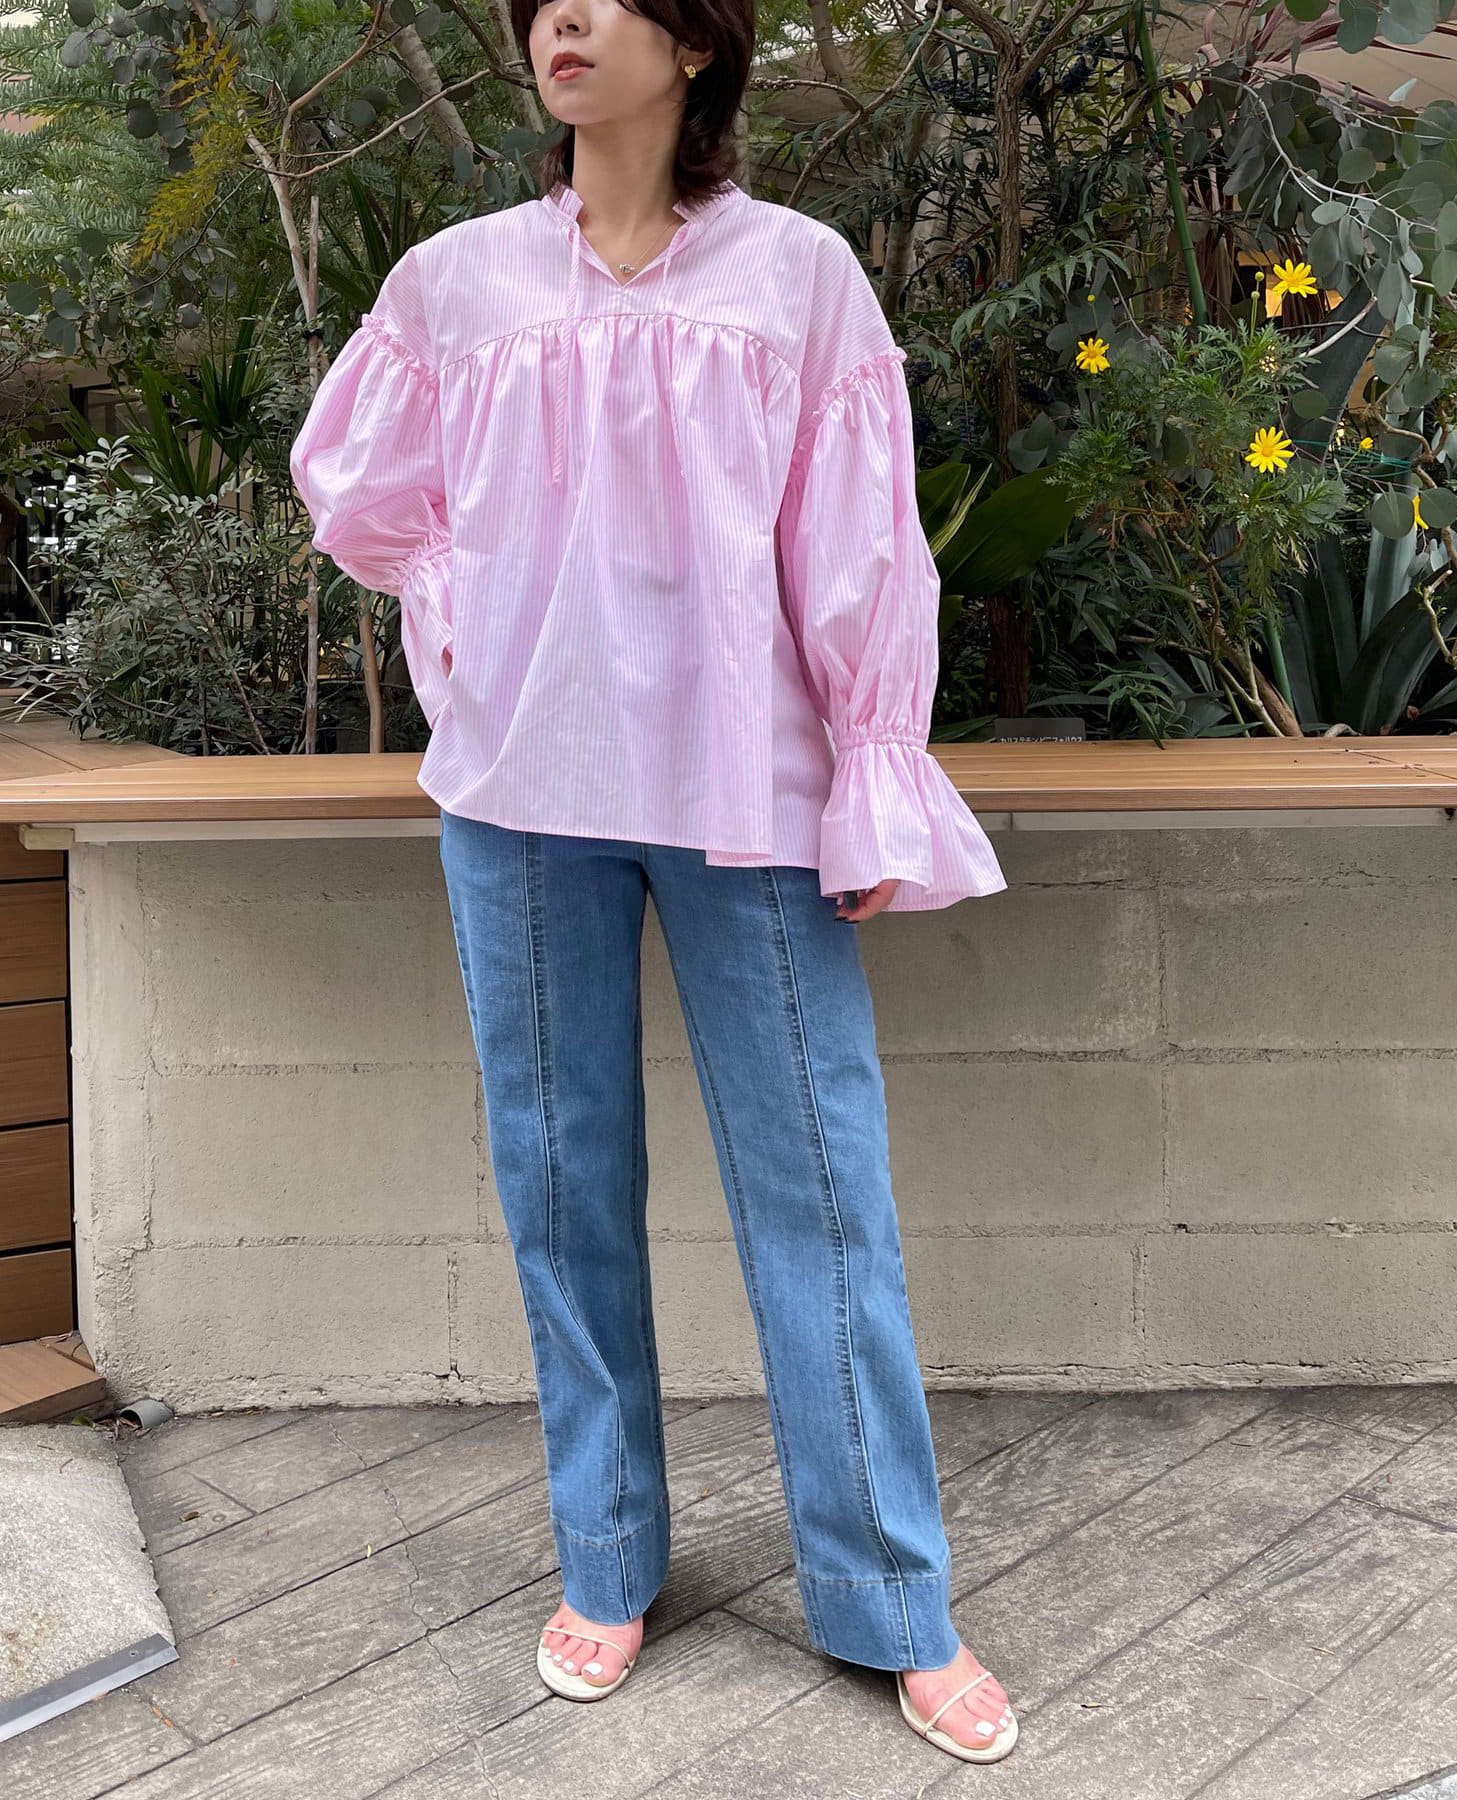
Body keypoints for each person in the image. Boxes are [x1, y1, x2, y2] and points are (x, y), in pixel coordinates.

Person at [288, 0, 1015, 1765]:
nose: (564, 18)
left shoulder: (798, 277)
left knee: (824, 1195)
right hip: (517, 800)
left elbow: (860, 537)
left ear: (694, 45)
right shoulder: (456, 283)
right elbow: (357, 490)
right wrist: (467, 611)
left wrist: (873, 770)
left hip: (747, 795)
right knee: (562, 1186)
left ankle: (892, 1596)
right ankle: (606, 1557)